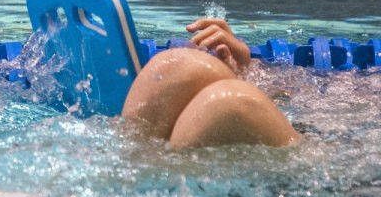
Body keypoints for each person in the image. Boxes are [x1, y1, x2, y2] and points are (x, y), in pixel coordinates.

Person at [120, 16, 299, 149]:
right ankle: (135, 170)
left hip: (315, 157)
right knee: (177, 68)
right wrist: (243, 74)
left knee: (232, 103)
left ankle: (146, 179)